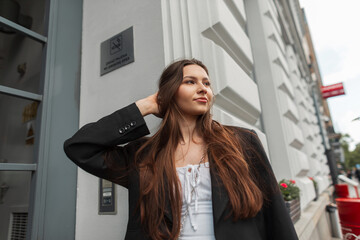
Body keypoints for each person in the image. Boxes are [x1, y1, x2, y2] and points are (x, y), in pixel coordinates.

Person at [64, 59, 298, 240]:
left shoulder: (242, 142)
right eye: (190, 81)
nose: (202, 88)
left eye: (206, 83)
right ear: (169, 92)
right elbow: (80, 147)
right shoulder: (144, 155)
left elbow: (276, 214)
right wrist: (144, 106)